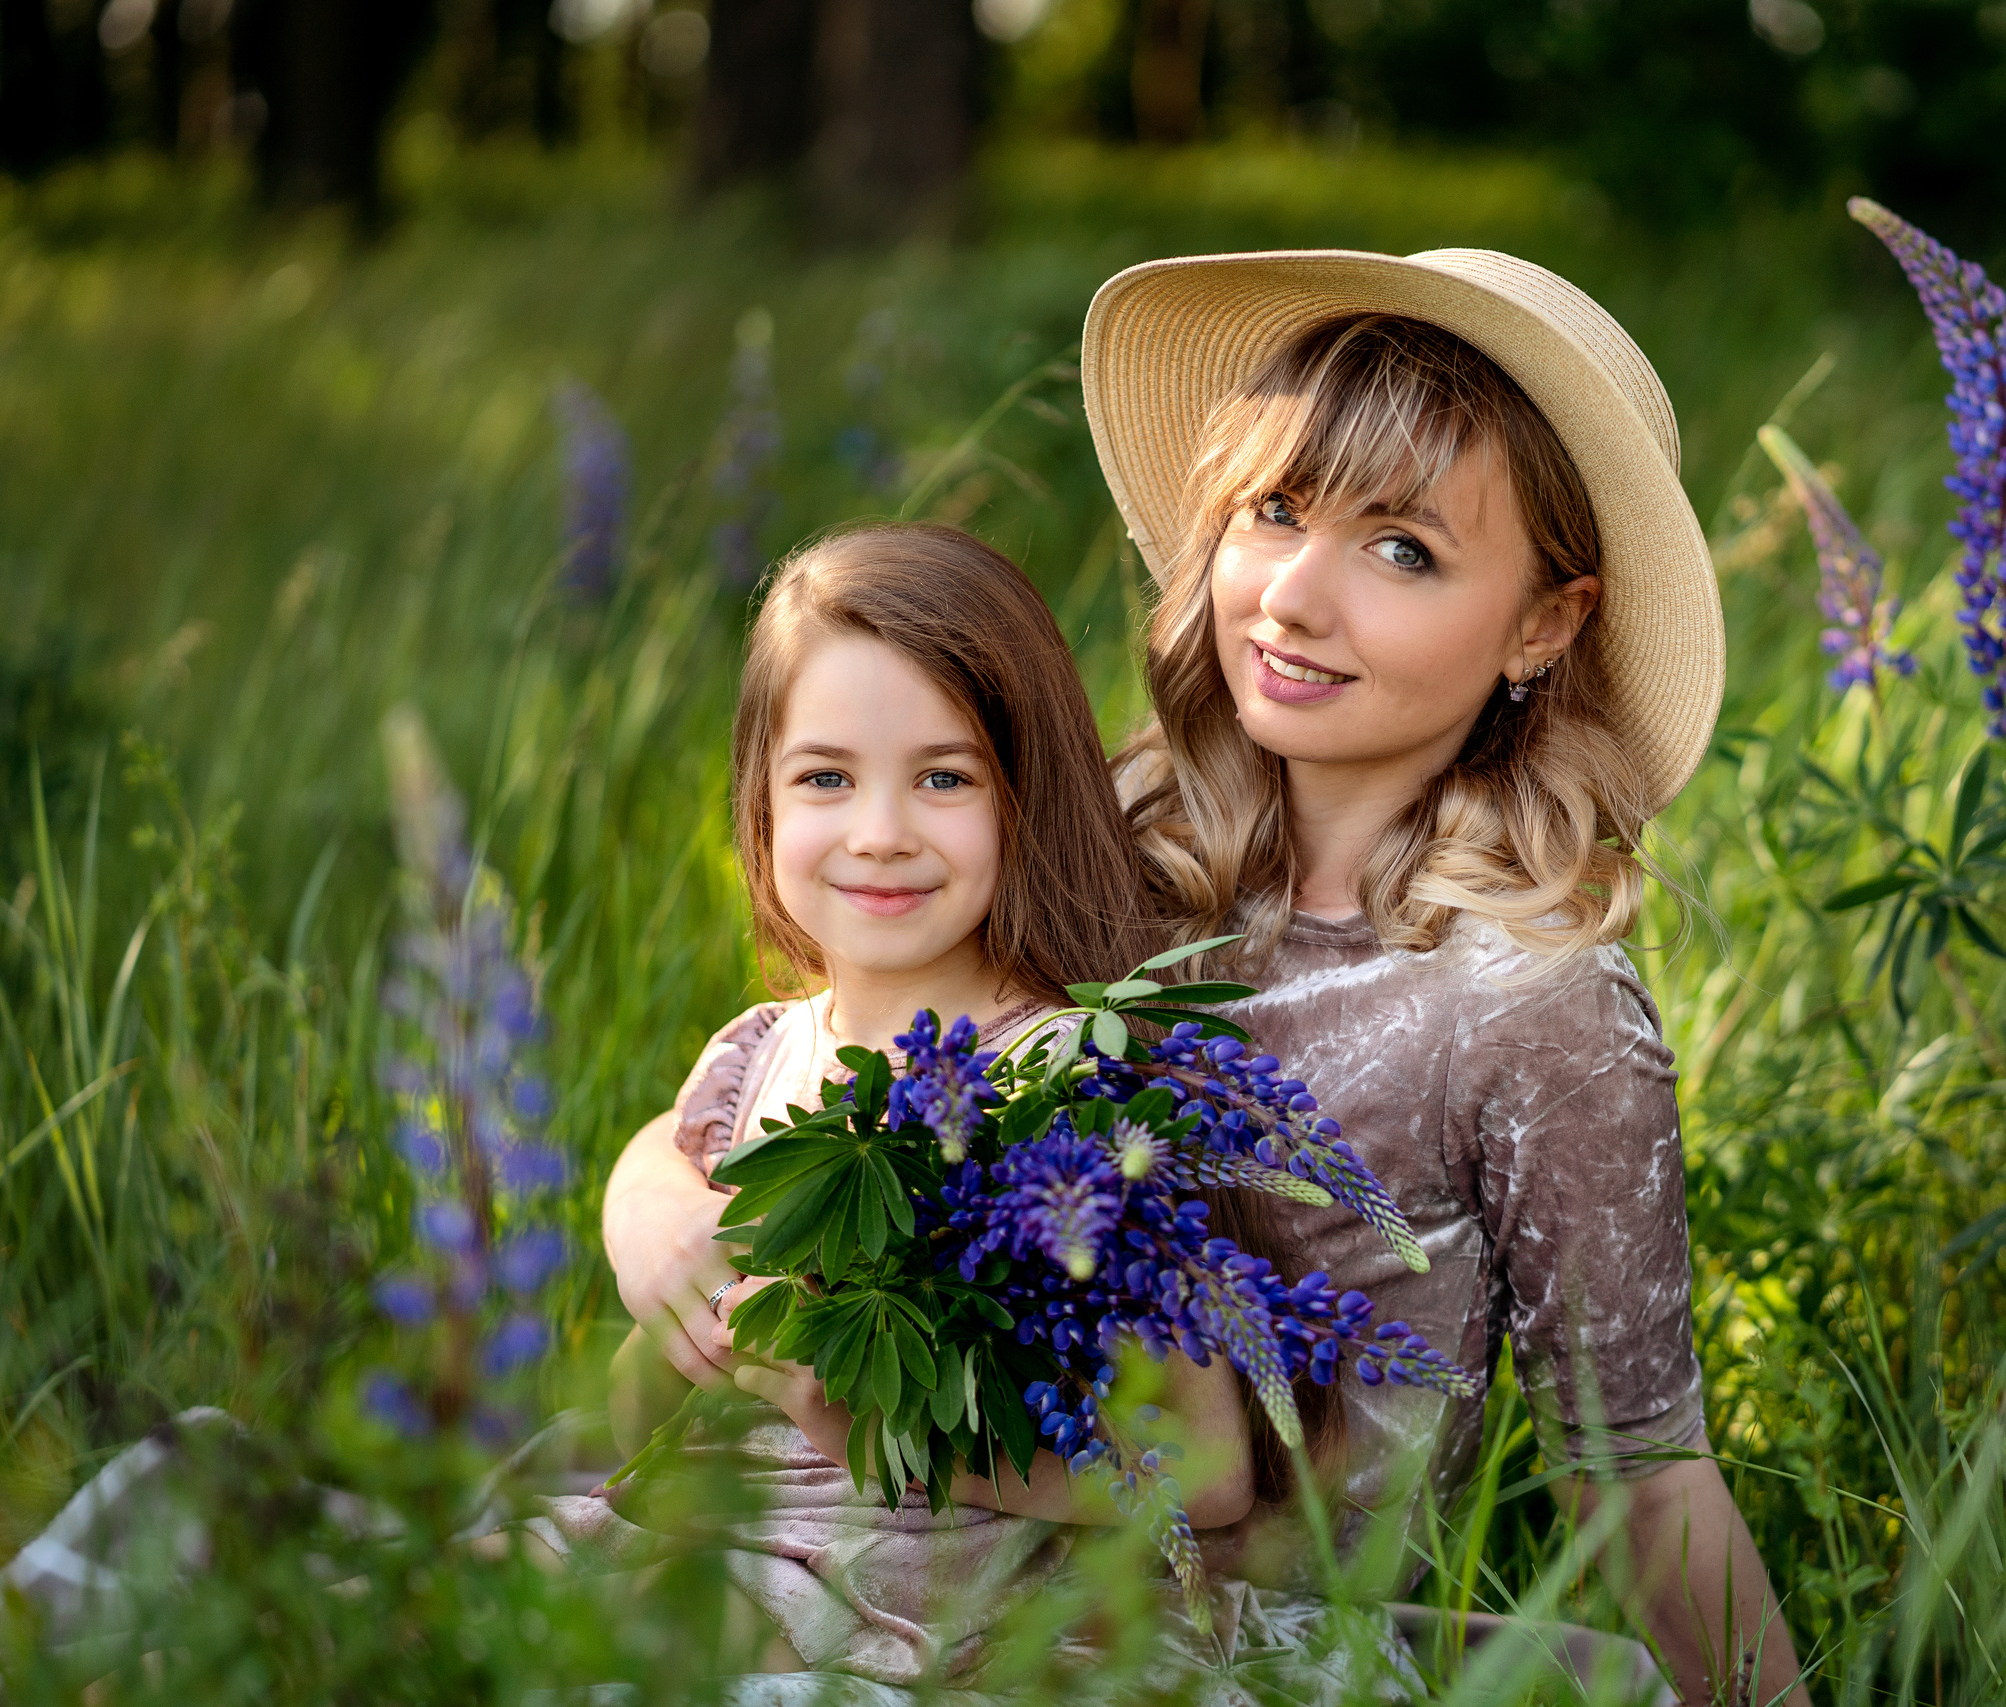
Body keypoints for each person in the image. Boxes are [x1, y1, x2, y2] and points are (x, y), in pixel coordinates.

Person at [608, 251, 1810, 1705]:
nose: (1294, 596)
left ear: (1545, 624)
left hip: (1180, 1629)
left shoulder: (1526, 1001)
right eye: (1275, 512)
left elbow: (1642, 1471)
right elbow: (820, 1061)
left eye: (1404, 548)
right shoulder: (1121, 837)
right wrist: (662, 1203)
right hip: (899, 1537)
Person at [579, 521, 1256, 1686]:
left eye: (943, 778)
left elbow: (1205, 1470)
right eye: (826, 778)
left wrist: (888, 1436)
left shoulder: (1063, 1082)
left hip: (907, 1593)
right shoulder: (760, 1058)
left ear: (1024, 799)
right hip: (716, 1538)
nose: (879, 833)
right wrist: (651, 1248)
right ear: (762, 803)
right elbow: (641, 1417)